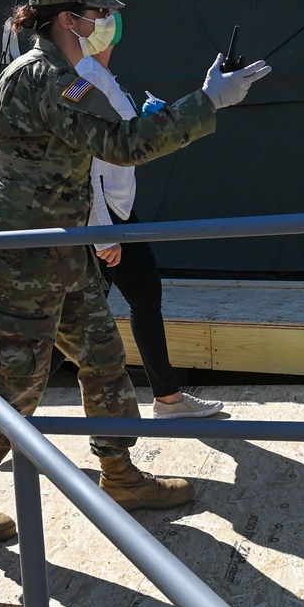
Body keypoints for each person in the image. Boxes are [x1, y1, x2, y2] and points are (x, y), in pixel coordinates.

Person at [0, 0, 270, 543]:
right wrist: (209, 101)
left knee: (103, 359)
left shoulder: (61, 73)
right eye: (98, 14)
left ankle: (118, 472)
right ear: (69, 18)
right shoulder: (50, 78)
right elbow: (122, 146)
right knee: (17, 386)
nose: (106, 23)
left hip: (62, 251)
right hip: (22, 260)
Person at [78, 21, 224, 419]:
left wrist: (150, 120)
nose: (110, 20)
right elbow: (85, 161)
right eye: (101, 12)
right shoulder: (86, 74)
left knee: (145, 298)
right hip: (103, 221)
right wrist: (101, 233)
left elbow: (123, 141)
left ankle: (169, 400)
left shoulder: (102, 74)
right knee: (66, 329)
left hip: (118, 215)